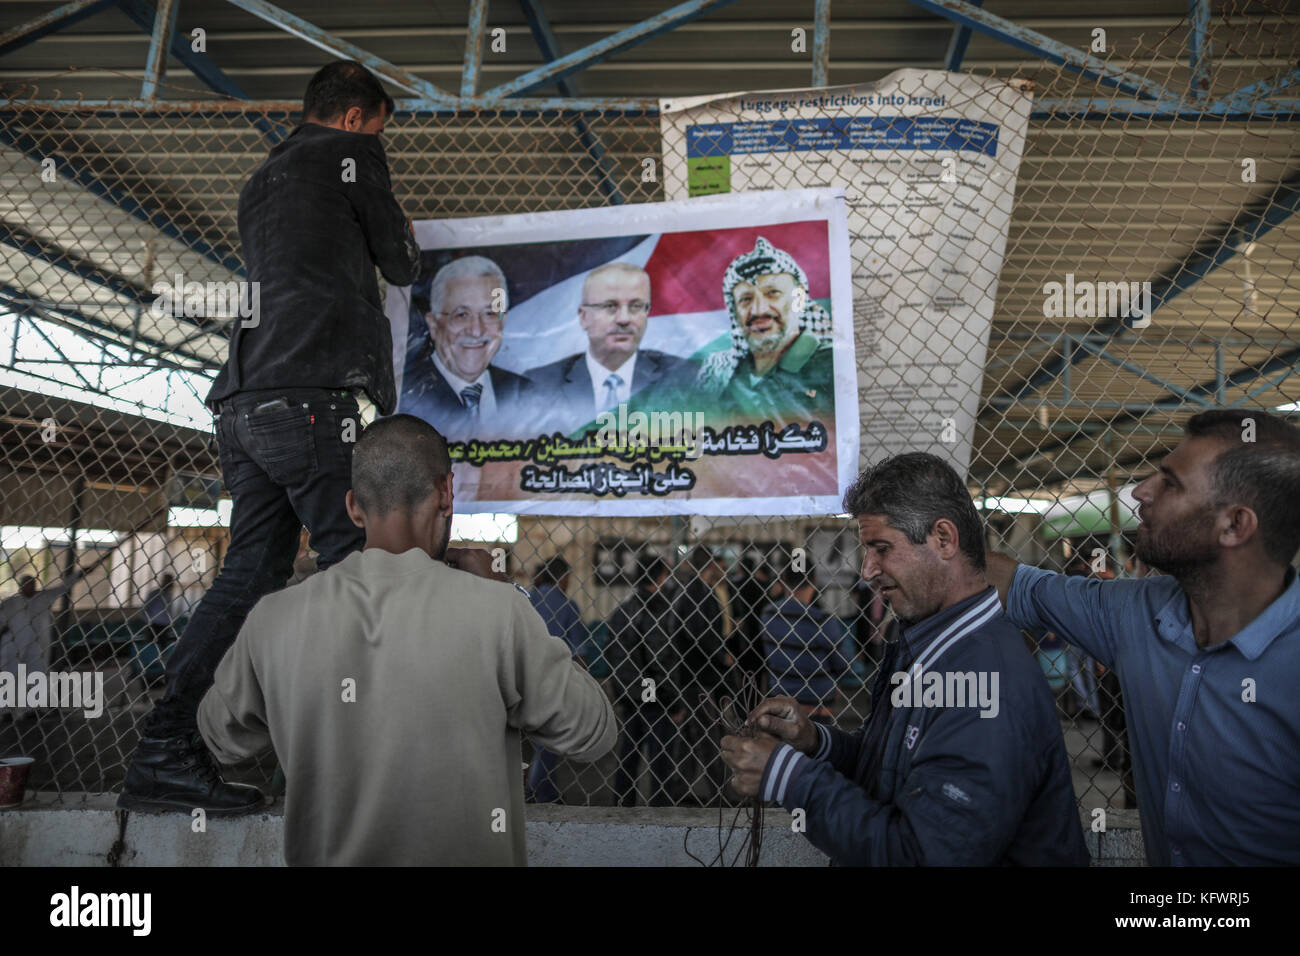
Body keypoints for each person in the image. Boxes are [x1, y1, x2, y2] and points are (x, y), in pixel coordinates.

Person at [119, 60, 421, 814]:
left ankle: (163, 752)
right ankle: (365, 768)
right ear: (356, 118)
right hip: (316, 397)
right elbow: (402, 260)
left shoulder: (261, 180)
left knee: (248, 576)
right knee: (367, 567)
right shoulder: (351, 156)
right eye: (379, 127)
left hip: (246, 404)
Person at [195, 415, 616, 865]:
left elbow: (221, 736)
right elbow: (594, 732)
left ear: (354, 506)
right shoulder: (497, 610)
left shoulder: (273, 620)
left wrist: (295, 703)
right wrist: (505, 598)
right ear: (446, 493)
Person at [722, 453, 1090, 866]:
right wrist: (815, 742)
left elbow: (920, 856)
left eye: (881, 549)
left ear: (944, 540)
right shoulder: (933, 645)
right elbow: (891, 767)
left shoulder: (984, 684)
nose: (867, 570)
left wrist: (787, 777)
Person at [986, 409, 1300, 865]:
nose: (1141, 491)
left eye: (1170, 483)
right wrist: (922, 534)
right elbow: (1018, 584)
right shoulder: (1135, 611)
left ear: (1234, 525)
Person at [525, 262, 698, 430]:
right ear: (584, 317)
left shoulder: (686, 378)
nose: (624, 319)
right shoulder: (540, 385)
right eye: (610, 306)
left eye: (636, 306)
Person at [697, 237, 834, 424]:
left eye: (772, 293)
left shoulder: (829, 364)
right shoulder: (720, 375)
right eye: (746, 299)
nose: (759, 310)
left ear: (799, 299)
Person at [402, 256, 536, 440]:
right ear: (433, 325)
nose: (476, 330)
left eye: (489, 314)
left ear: (502, 321)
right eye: (462, 315)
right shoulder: (405, 395)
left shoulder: (527, 394)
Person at [606, 557, 686, 806]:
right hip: (656, 699)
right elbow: (660, 662)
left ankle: (621, 808)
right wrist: (673, 703)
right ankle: (659, 814)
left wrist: (625, 690)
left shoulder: (623, 610)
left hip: (631, 697)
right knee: (660, 764)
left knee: (628, 757)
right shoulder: (658, 611)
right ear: (660, 577)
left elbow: (612, 656)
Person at [672, 546, 734, 804]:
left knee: (689, 737)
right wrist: (722, 656)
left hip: (687, 674)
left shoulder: (683, 591)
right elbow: (702, 634)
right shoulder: (701, 594)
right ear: (709, 566)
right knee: (710, 736)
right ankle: (720, 793)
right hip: (703, 676)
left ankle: (677, 790)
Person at [524, 554, 587, 803]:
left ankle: (521, 789)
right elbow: (579, 651)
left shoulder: (526, 599)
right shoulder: (567, 606)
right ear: (562, 578)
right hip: (553, 680)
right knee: (548, 741)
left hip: (521, 675)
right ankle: (540, 792)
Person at [760, 563, 848, 723]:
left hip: (779, 698)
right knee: (820, 745)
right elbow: (842, 664)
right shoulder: (823, 621)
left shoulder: (769, 614)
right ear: (814, 581)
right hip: (816, 702)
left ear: (783, 580)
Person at [0, 572, 78, 721]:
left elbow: (63, 587)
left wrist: (78, 574)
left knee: (37, 673)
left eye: (33, 584)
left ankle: (33, 708)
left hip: (37, 643)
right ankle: (5, 711)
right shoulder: (10, 603)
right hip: (14, 643)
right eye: (27, 584)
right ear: (20, 586)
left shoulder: (43, 598)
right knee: (9, 675)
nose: (31, 587)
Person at [137, 573, 176, 648]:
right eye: (167, 580)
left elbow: (168, 611)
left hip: (164, 626)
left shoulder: (169, 594)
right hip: (154, 624)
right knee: (151, 646)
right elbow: (145, 608)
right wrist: (147, 621)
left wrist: (171, 621)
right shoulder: (155, 593)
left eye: (170, 581)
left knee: (162, 646)